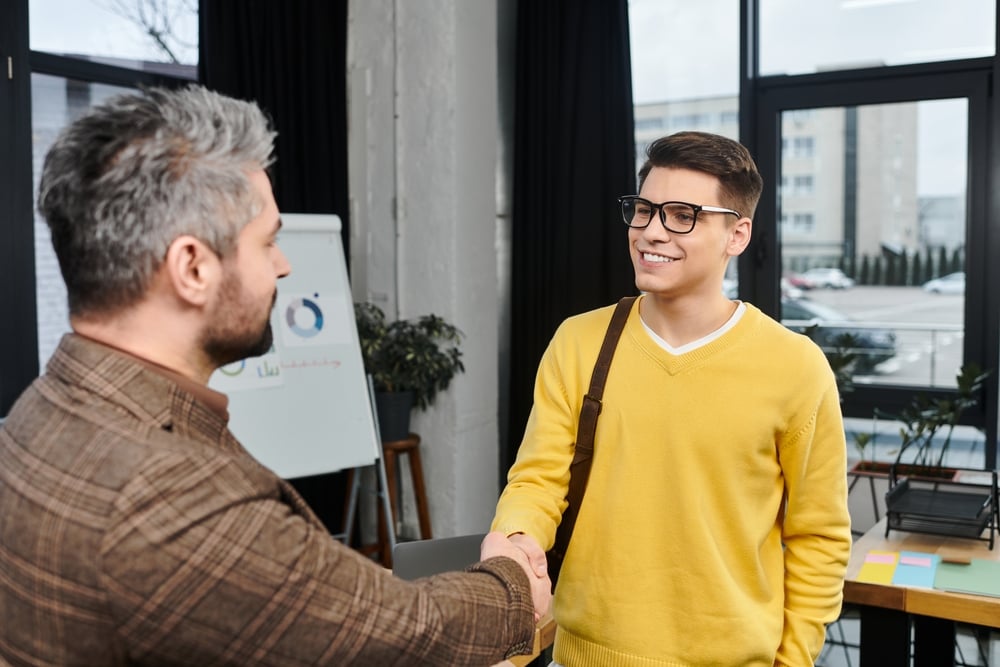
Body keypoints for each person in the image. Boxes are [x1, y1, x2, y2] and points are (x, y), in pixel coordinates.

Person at [0, 84, 550, 666]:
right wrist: (512, 588)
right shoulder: (168, 494)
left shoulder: (43, 406)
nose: (284, 265)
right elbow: (388, 634)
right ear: (192, 267)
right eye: (267, 242)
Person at [489, 131, 852, 666]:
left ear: (738, 234)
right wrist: (515, 541)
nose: (651, 231)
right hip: (584, 655)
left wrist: (792, 661)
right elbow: (539, 478)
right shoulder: (578, 342)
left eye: (683, 214)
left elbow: (818, 536)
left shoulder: (795, 367)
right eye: (644, 209)